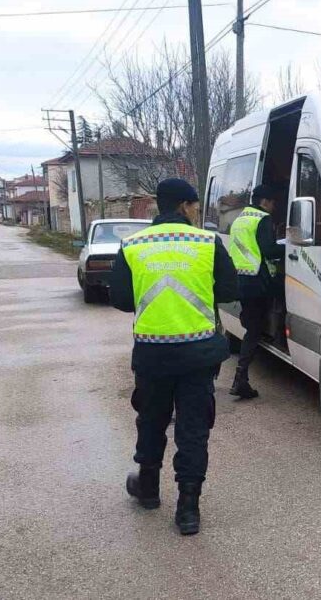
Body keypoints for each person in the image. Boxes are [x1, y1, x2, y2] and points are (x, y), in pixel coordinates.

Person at [109, 178, 240, 535]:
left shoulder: (133, 245)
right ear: (185, 206)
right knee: (193, 430)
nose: (198, 213)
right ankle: (188, 509)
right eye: (196, 207)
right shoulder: (207, 242)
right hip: (198, 355)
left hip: (152, 355)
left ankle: (148, 488)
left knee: (151, 421)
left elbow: (120, 300)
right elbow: (230, 289)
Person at [228, 184, 285, 399]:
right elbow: (268, 250)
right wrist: (290, 246)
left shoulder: (241, 217)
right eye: (272, 203)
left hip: (241, 279)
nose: (273, 207)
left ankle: (241, 378)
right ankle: (240, 379)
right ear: (265, 201)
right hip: (257, 281)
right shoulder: (262, 219)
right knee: (254, 330)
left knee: (251, 326)